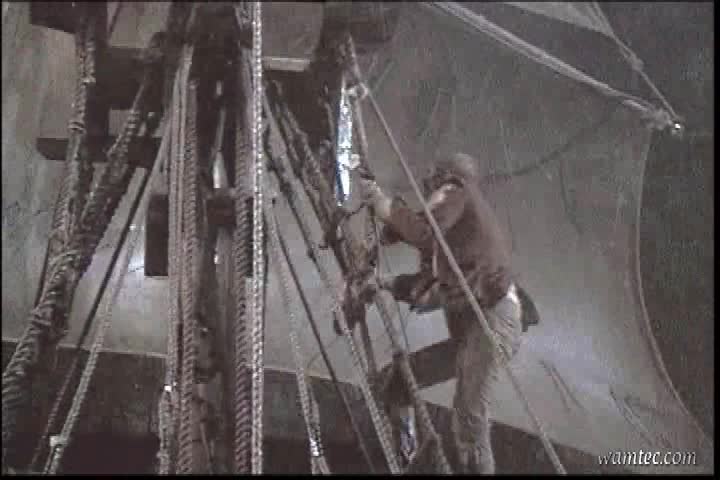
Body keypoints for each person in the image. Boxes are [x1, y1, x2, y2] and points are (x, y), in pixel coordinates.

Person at [358, 152, 526, 473]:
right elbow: (427, 289)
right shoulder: (456, 248)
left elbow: (424, 231)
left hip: (491, 323)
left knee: (469, 415)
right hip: (474, 332)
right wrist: (382, 283)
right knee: (398, 382)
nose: (427, 188)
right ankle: (403, 459)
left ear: (446, 177)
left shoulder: (456, 189)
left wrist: (383, 205)